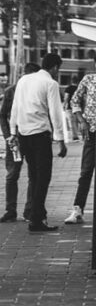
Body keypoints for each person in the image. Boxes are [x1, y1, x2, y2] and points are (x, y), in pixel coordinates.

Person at [10, 54, 68, 232]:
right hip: (40, 135)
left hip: (23, 134)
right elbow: (56, 113)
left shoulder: (23, 80)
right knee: (43, 177)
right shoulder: (50, 84)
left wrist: (13, 131)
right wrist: (61, 141)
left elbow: (16, 106)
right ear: (55, 68)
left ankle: (37, 214)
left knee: (34, 176)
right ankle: (36, 219)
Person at [64, 57, 96, 224]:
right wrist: (81, 120)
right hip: (92, 130)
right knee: (86, 171)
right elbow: (74, 100)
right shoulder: (89, 79)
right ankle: (78, 209)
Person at [1, 65, 37, 223]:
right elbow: (2, 115)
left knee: (33, 175)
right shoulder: (11, 91)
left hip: (33, 137)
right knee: (12, 174)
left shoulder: (38, 91)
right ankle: (10, 210)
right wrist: (8, 136)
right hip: (15, 139)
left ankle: (29, 210)